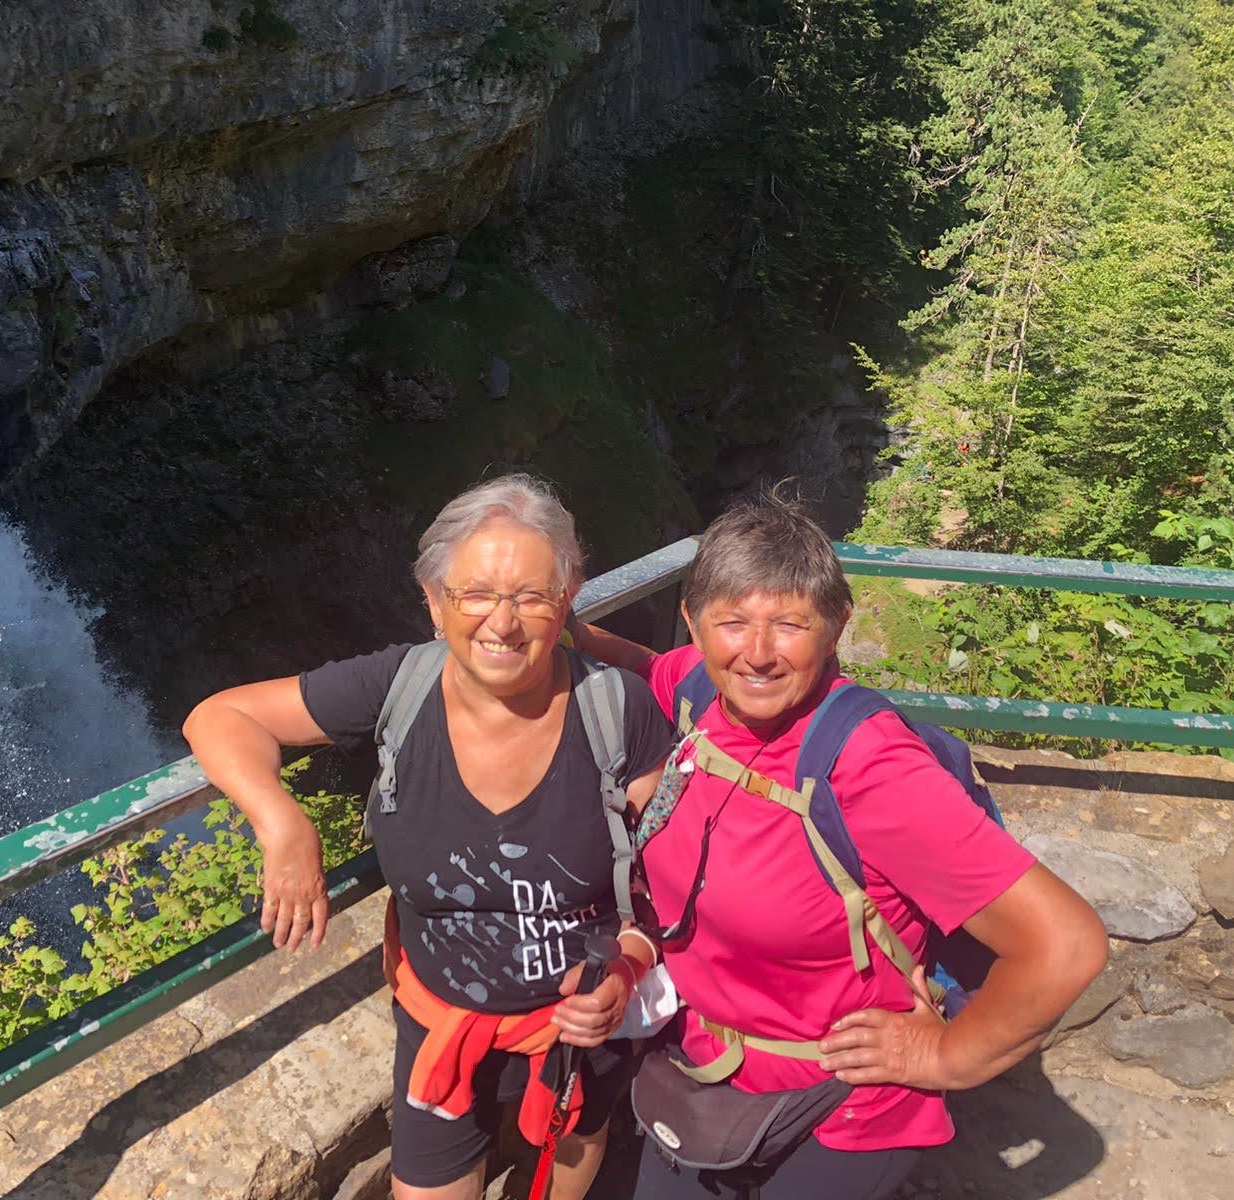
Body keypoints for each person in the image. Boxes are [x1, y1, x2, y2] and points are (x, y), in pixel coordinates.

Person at [573, 492, 1109, 1200]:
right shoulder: (701, 690)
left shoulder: (870, 768)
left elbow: (1064, 945)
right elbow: (645, 666)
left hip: (837, 1108)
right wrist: (556, 624)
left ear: (836, 626)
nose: (757, 653)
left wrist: (948, 1057)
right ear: (694, 625)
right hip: (705, 1075)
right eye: (731, 622)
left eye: (790, 624)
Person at [183, 474, 674, 1200]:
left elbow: (672, 874)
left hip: (580, 1033)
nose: (502, 623)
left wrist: (629, 969)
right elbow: (221, 718)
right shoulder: (398, 687)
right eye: (475, 593)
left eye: (532, 596)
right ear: (434, 601)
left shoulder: (614, 710)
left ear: (568, 597)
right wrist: (282, 822)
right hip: (439, 1029)